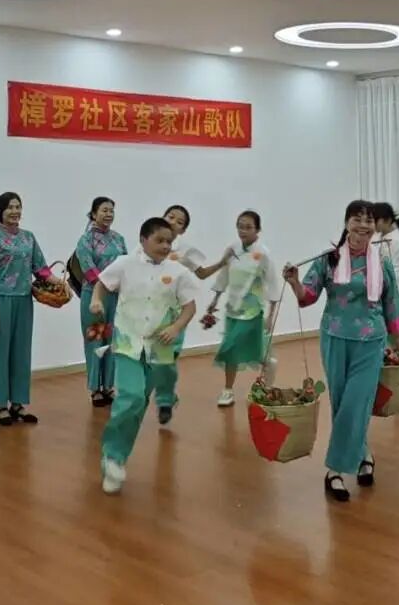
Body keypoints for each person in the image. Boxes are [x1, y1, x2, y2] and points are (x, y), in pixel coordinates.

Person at [283, 200, 399, 502]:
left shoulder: (382, 261)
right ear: (346, 223)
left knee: (357, 402)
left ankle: (335, 470)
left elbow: (392, 302)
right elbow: (307, 297)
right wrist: (294, 282)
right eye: (357, 219)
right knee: (341, 402)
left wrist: (397, 340)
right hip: (335, 338)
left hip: (372, 340)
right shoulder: (328, 259)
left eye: (369, 221)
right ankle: (364, 454)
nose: (363, 226)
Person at [92, 217, 197, 494]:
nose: (165, 246)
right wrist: (96, 300)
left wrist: (176, 327)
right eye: (159, 240)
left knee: (137, 407)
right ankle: (112, 457)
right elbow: (102, 283)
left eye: (168, 241)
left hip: (158, 349)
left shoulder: (178, 272)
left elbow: (189, 307)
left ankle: (116, 457)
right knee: (131, 397)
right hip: (128, 344)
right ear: (143, 239)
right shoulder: (125, 264)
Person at [0, 192, 63, 426]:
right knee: (1, 353)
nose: (15, 211)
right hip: (1, 300)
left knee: (21, 352)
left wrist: (60, 283)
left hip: (24, 299)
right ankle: (1, 406)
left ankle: (18, 403)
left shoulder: (29, 238)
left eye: (18, 206)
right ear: (0, 211)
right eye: (10, 207)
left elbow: (41, 269)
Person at [150, 205, 230, 421]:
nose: (173, 221)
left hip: (175, 311)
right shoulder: (146, 245)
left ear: (183, 230)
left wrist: (222, 263)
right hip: (150, 309)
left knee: (167, 355)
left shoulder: (185, 251)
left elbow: (201, 273)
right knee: (152, 359)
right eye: (170, 216)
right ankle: (166, 393)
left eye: (179, 221)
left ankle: (164, 402)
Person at [208, 210, 279, 408]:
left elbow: (272, 283)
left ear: (258, 229)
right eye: (240, 226)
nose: (243, 231)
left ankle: (266, 386)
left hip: (253, 312)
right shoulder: (232, 249)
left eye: (248, 227)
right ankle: (228, 390)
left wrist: (270, 315)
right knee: (230, 351)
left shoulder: (263, 253)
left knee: (249, 351)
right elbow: (224, 275)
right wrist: (215, 300)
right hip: (233, 310)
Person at [75, 196, 127, 407]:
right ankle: (95, 388)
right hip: (94, 296)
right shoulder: (86, 240)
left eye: (111, 210)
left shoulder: (118, 239)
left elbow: (125, 265)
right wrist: (104, 286)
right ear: (94, 214)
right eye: (104, 210)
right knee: (95, 339)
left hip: (115, 296)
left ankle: (108, 386)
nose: (108, 214)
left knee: (112, 339)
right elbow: (88, 268)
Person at [373, 202, 399, 319]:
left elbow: (395, 271)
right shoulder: (381, 238)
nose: (373, 224)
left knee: (392, 330)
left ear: (387, 220)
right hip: (384, 295)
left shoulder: (396, 241)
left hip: (396, 296)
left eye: (376, 220)